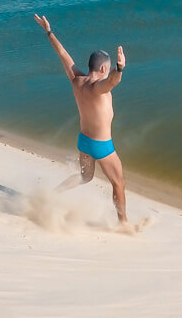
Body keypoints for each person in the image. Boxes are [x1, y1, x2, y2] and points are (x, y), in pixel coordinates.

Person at [33, 14, 129, 225]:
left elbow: (62, 53)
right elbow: (113, 81)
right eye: (109, 67)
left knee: (86, 177)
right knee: (119, 183)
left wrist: (49, 31)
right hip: (102, 146)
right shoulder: (99, 88)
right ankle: (123, 223)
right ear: (103, 69)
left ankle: (53, 195)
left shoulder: (77, 80)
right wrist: (120, 68)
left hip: (83, 142)